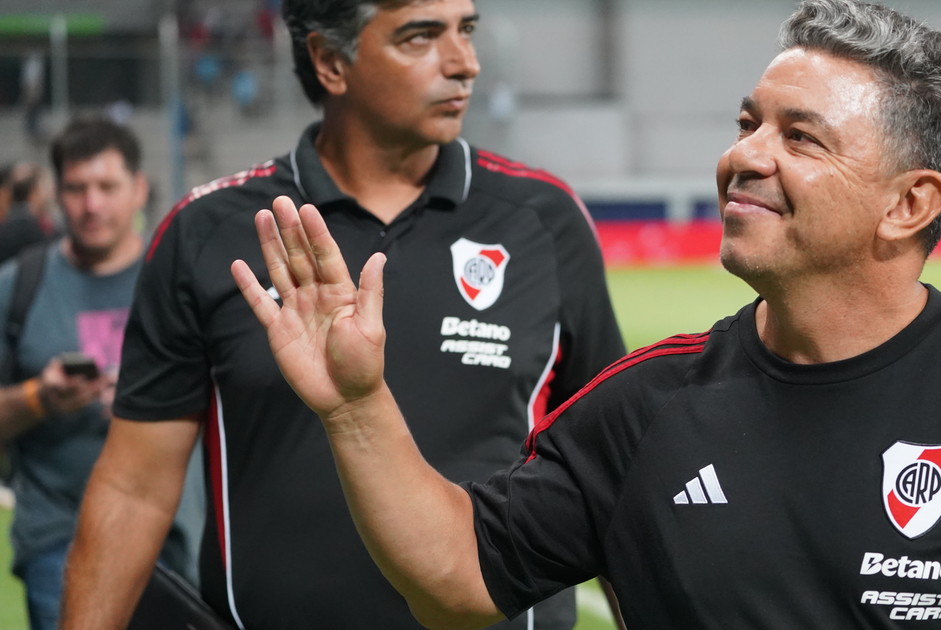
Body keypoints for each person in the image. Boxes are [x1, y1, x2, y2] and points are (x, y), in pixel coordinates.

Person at [232, 0, 941, 627]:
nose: (745, 157)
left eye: (800, 137)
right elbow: (457, 579)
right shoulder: (644, 407)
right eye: (748, 123)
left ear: (909, 205)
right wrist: (355, 407)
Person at [61, 0, 625, 629]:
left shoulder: (545, 223)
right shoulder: (208, 233)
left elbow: (610, 471)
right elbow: (134, 489)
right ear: (331, 61)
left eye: (466, 30)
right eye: (420, 37)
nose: (464, 63)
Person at [0, 119, 197, 630]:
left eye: (107, 186)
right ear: (55, 193)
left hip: (175, 537)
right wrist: (40, 397)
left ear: (139, 189)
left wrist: (149, 400)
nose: (92, 205)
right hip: (59, 538)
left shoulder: (182, 278)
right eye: (76, 188)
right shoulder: (18, 285)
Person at [0, 163, 58, 266]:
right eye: (45, 188)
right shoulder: (29, 230)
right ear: (34, 193)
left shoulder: (9, 223)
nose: (50, 194)